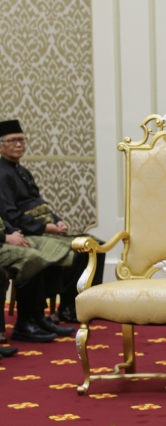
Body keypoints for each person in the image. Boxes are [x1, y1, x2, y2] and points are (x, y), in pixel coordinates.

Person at [0, 119, 91, 337]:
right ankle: (31, 320)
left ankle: (66, 309)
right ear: (0, 146)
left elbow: (38, 203)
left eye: (22, 139)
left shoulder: (22, 171)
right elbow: (9, 214)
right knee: (43, 255)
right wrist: (38, 229)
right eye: (12, 140)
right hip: (25, 231)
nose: (19, 144)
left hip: (29, 229)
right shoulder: (2, 174)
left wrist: (57, 221)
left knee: (89, 246)